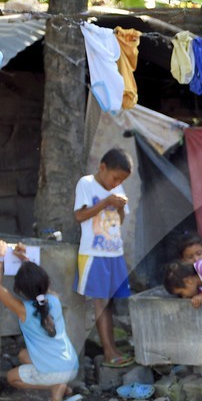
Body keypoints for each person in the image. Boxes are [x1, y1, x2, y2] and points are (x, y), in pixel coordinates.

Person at [0, 240, 81, 401]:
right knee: (24, 355)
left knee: (12, 378)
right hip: (71, 367)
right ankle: (61, 386)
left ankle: (55, 387)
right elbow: (38, 282)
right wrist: (25, 260)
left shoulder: (22, 309)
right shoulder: (54, 299)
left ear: (20, 291)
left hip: (54, 372)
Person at [74, 148, 134, 368]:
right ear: (102, 168)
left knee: (109, 302)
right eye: (115, 177)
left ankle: (112, 347)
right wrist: (105, 201)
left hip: (114, 252)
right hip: (94, 253)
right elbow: (79, 216)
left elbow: (119, 220)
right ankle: (108, 351)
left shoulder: (116, 187)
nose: (117, 182)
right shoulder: (86, 184)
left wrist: (119, 206)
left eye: (121, 180)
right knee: (100, 301)